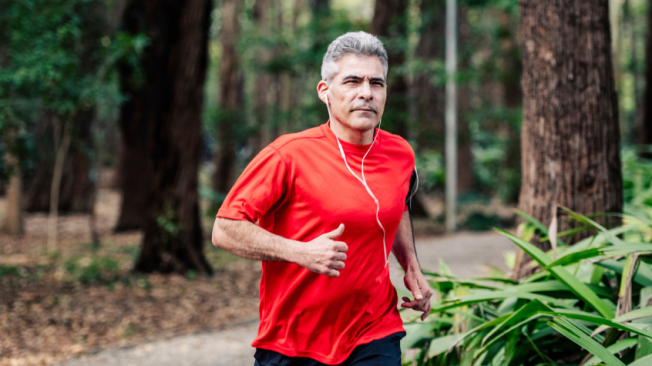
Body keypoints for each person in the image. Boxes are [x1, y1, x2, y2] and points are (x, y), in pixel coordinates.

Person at [211, 31, 433, 366]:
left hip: (374, 331)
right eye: (352, 82)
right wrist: (299, 251)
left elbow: (397, 204)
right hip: (293, 341)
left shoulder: (400, 153)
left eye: (377, 83)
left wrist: (411, 266)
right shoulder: (288, 154)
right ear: (325, 92)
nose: (366, 94)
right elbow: (224, 229)